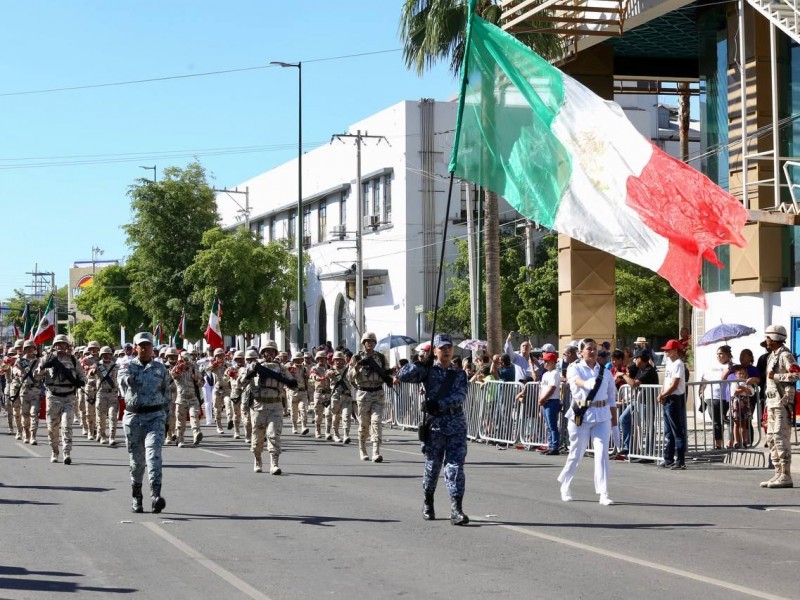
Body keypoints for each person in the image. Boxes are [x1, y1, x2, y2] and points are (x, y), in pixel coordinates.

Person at [396, 333, 470, 525]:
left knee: (455, 467)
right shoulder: (428, 371)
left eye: (449, 347)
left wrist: (439, 404)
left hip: (455, 424)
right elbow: (402, 375)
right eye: (442, 347)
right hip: (435, 427)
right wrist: (421, 364)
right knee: (433, 466)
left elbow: (460, 395)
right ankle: (428, 502)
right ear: (435, 350)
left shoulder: (459, 373)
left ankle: (456, 509)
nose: (446, 350)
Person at [557, 339, 617, 505]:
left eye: (595, 349)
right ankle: (565, 484)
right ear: (580, 352)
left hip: (602, 415)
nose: (593, 352)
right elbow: (575, 380)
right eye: (589, 349)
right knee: (576, 453)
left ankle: (603, 492)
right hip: (581, 413)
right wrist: (587, 383)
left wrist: (615, 425)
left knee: (602, 453)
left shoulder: (605, 372)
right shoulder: (573, 367)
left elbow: (612, 398)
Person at [118, 332, 171, 513]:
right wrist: (129, 379)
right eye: (142, 345)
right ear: (135, 347)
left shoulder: (160, 368)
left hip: (155, 417)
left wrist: (168, 419)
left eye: (148, 345)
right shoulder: (127, 366)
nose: (145, 348)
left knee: (153, 455)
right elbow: (122, 381)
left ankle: (156, 495)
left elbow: (167, 394)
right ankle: (137, 496)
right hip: (134, 419)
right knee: (137, 462)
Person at [244, 340, 296, 474]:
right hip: (259, 406)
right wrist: (250, 372)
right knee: (257, 438)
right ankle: (258, 459)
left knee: (274, 434)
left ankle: (274, 463)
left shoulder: (280, 368)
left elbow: (292, 383)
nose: (269, 353)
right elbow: (241, 382)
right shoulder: (255, 365)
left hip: (275, 406)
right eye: (267, 351)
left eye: (272, 351)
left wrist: (292, 380)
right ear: (262, 353)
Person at [760, 325, 799, 489]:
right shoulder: (772, 356)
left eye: (768, 338)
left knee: (780, 437)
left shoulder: (785, 355)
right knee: (771, 438)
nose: (766, 341)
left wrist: (776, 376)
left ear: (774, 338)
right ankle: (778, 472)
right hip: (771, 401)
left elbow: (796, 374)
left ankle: (786, 475)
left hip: (781, 402)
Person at [39, 335, 86, 464]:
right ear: (54, 346)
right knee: (53, 428)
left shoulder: (73, 360)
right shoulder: (47, 359)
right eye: (58, 344)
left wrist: (81, 381)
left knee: (67, 425)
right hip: (53, 397)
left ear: (67, 346)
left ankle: (66, 452)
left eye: (63, 344)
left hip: (69, 397)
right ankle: (55, 451)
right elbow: (37, 376)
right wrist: (42, 368)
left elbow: (82, 375)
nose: (60, 346)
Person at [347, 332, 393, 462]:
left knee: (376, 422)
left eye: (372, 341)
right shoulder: (356, 357)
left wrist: (392, 378)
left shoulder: (381, 357)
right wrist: (357, 367)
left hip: (378, 393)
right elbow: (349, 377)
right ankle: (362, 448)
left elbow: (387, 372)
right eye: (368, 341)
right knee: (364, 425)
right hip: (363, 394)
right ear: (363, 343)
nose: (370, 343)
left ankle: (376, 451)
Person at [618, 348, 659, 457]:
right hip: (637, 401)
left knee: (649, 426)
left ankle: (649, 453)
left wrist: (622, 375)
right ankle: (627, 447)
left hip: (647, 403)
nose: (635, 360)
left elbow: (634, 383)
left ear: (642, 359)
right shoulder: (640, 369)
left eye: (637, 358)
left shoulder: (649, 370)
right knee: (623, 418)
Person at [658, 339, 687, 469]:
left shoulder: (679, 364)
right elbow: (666, 381)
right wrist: (662, 393)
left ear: (675, 351)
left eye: (668, 350)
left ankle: (680, 460)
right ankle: (668, 458)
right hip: (668, 397)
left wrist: (663, 394)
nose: (666, 352)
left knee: (677, 430)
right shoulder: (670, 363)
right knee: (669, 431)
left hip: (675, 398)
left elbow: (675, 384)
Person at [700, 344, 733, 449]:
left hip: (726, 398)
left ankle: (730, 442)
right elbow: (704, 380)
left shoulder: (733, 366)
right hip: (711, 397)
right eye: (718, 354)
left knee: (728, 421)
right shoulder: (710, 366)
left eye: (722, 354)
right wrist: (701, 392)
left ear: (728, 355)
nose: (719, 356)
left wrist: (730, 368)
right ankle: (718, 444)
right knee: (716, 422)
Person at [171, 350, 203, 447]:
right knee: (181, 420)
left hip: (192, 396)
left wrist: (197, 379)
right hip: (181, 397)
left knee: (194, 416)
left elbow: (202, 382)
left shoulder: (194, 368)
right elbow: (173, 375)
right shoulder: (177, 368)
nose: (186, 361)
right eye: (184, 359)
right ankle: (180, 439)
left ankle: (196, 434)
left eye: (188, 359)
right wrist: (179, 368)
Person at [92, 346, 120, 446]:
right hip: (101, 393)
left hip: (112, 393)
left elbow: (119, 378)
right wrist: (92, 371)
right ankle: (102, 436)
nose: (107, 356)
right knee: (101, 417)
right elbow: (90, 375)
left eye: (108, 354)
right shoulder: (98, 366)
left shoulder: (116, 366)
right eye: (104, 355)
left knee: (113, 416)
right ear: (101, 355)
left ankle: (112, 437)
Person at [536, 351, 560, 455]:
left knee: (552, 425)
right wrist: (540, 399)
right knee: (548, 425)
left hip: (552, 401)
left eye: (546, 361)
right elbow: (542, 388)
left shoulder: (555, 373)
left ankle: (554, 446)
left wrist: (543, 399)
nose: (544, 363)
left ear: (553, 362)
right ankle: (550, 445)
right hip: (545, 401)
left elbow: (552, 388)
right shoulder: (545, 374)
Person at [728, 364, 755, 449]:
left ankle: (744, 440)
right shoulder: (734, 383)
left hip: (745, 403)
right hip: (736, 403)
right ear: (736, 374)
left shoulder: (747, 382)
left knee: (744, 423)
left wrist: (743, 389)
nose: (741, 375)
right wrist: (743, 389)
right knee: (736, 423)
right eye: (739, 373)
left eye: (743, 373)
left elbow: (751, 392)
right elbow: (734, 392)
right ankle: (736, 440)